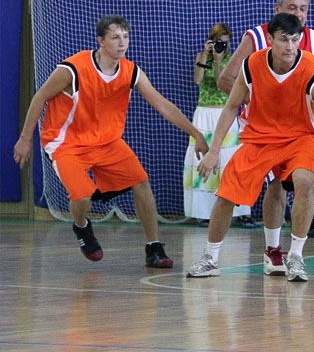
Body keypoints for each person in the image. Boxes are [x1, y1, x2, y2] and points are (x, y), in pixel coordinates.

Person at [13, 14, 209, 268]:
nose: (122, 42)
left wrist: (196, 133)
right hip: (66, 142)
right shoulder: (73, 69)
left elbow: (163, 105)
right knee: (82, 196)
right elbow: (40, 96)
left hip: (107, 142)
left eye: (126, 37)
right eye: (115, 37)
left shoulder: (131, 71)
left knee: (141, 183)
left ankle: (154, 247)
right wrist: (25, 138)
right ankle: (81, 226)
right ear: (101, 41)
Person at [186, 13, 314, 281]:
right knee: (226, 195)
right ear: (270, 39)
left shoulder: (313, 69)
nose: (290, 47)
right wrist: (213, 151)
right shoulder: (252, 64)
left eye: (295, 40)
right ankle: (210, 258)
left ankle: (296, 257)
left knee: (304, 182)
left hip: (300, 139)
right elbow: (231, 107)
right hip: (259, 139)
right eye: (284, 40)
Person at [218, 0, 314, 274]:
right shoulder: (256, 37)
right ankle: (274, 252)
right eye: (292, 8)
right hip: (266, 130)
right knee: (276, 187)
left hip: (307, 129)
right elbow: (225, 80)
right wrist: (261, 99)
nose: (299, 13)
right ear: (277, 10)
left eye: (303, 9)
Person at [183, 22, 255, 228]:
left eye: (225, 42)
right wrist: (207, 56)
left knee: (230, 159)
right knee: (202, 158)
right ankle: (202, 212)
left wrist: (218, 61)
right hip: (203, 113)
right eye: (218, 42)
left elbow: (220, 83)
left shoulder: (233, 61)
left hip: (225, 113)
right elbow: (197, 80)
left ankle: (239, 211)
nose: (222, 46)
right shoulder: (202, 57)